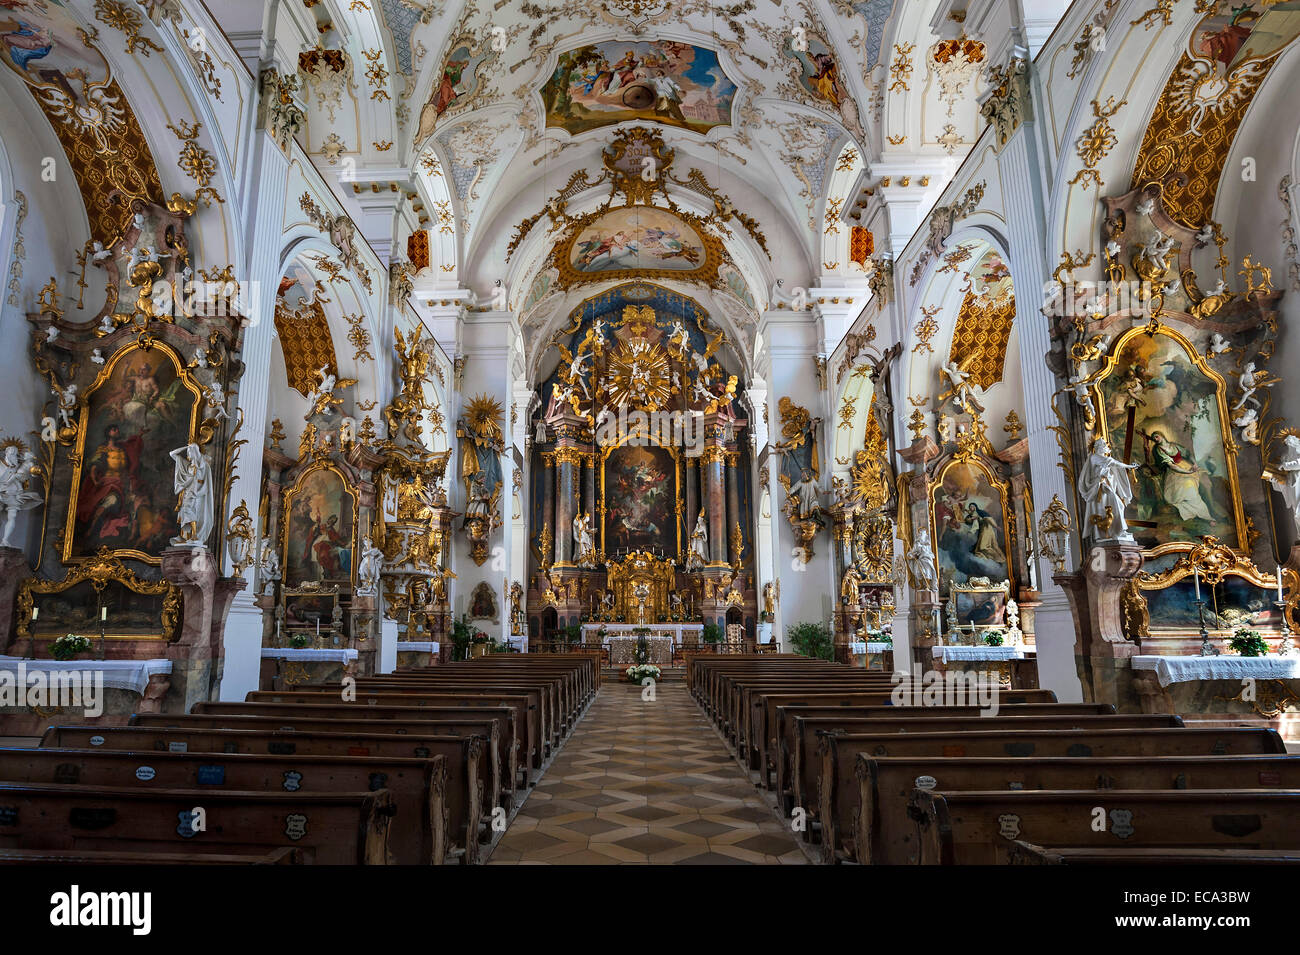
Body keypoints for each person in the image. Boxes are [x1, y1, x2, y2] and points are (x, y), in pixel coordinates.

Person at [169, 443, 213, 547]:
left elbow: (203, 482)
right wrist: (186, 447)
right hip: (186, 494)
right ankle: (188, 537)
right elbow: (172, 454)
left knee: (189, 512)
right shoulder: (187, 465)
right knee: (185, 513)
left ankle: (194, 535)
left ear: (195, 452)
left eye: (190, 451)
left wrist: (197, 491)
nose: (188, 453)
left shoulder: (202, 466)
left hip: (195, 494)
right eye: (188, 452)